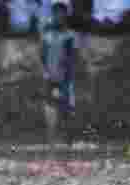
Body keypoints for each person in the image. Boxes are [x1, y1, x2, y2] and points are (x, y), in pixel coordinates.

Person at [40, 0, 76, 142]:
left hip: (65, 77)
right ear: (53, 15)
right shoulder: (47, 34)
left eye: (62, 14)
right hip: (50, 75)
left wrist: (65, 73)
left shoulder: (70, 35)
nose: (59, 16)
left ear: (66, 15)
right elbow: (42, 55)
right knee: (50, 106)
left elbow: (71, 57)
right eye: (57, 13)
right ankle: (51, 138)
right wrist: (47, 72)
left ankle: (68, 138)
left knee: (67, 107)